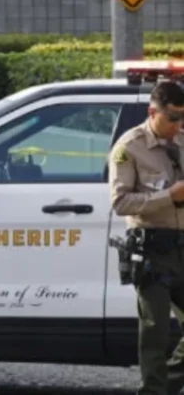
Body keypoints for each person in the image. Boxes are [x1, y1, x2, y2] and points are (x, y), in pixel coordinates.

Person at [109, 80, 184, 395]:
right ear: (153, 112)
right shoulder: (130, 147)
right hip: (152, 249)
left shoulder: (182, 139)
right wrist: (168, 197)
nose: (178, 125)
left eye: (183, 117)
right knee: (155, 332)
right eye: (173, 117)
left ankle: (163, 387)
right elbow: (120, 202)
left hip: (182, 246)